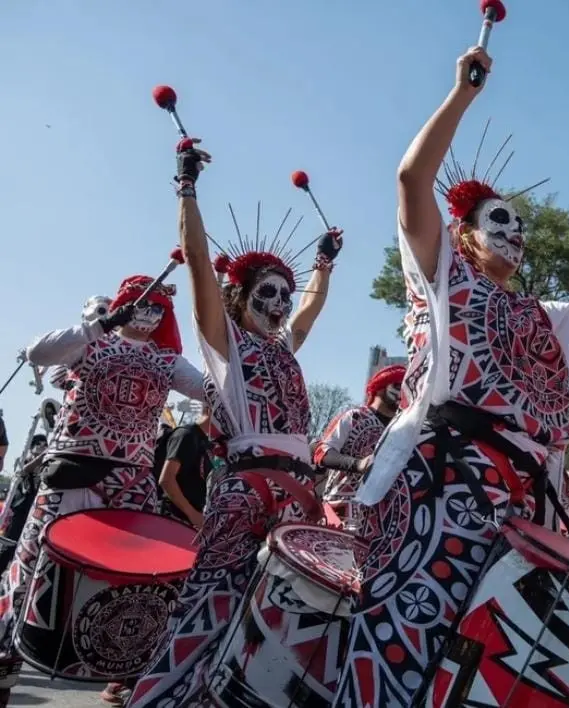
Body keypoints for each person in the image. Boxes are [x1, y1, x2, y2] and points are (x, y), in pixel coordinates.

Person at [333, 46, 569, 707]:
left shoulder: (536, 314)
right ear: (465, 236)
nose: (515, 232)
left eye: (520, 225)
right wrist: (464, 94)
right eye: (499, 221)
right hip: (444, 483)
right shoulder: (443, 277)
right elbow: (411, 180)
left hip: (523, 500)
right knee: (405, 637)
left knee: (484, 660)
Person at [127, 134, 341, 707]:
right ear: (239, 296)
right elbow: (198, 262)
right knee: (205, 614)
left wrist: (323, 264)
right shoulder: (226, 346)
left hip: (299, 498)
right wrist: (187, 187)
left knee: (270, 637)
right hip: (245, 493)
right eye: (268, 293)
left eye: (285, 295)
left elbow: (310, 310)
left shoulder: (283, 348)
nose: (280, 304)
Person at [0, 273, 205, 706]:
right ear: (125, 303)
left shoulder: (166, 360)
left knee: (137, 576)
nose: (150, 314)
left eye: (159, 309)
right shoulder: (90, 341)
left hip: (131, 482)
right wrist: (102, 325)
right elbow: (38, 351)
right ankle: (5, 657)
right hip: (71, 470)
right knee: (31, 564)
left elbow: (210, 390)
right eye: (143, 304)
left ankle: (120, 669)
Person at [313, 364, 405, 519]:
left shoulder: (402, 430)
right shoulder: (354, 417)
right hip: (340, 510)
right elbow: (321, 453)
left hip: (381, 517)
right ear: (380, 388)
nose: (402, 394)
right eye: (397, 387)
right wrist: (358, 464)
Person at [157, 412, 212, 529]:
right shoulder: (187, 435)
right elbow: (166, 480)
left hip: (189, 522)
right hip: (172, 519)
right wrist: (193, 515)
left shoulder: (206, 443)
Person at [0, 435, 47, 573]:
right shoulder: (23, 460)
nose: (43, 447)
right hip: (20, 508)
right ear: (32, 447)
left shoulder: (45, 464)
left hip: (35, 510)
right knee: (10, 543)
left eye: (45, 445)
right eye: (40, 444)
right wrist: (40, 458)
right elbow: (23, 470)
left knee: (28, 547)